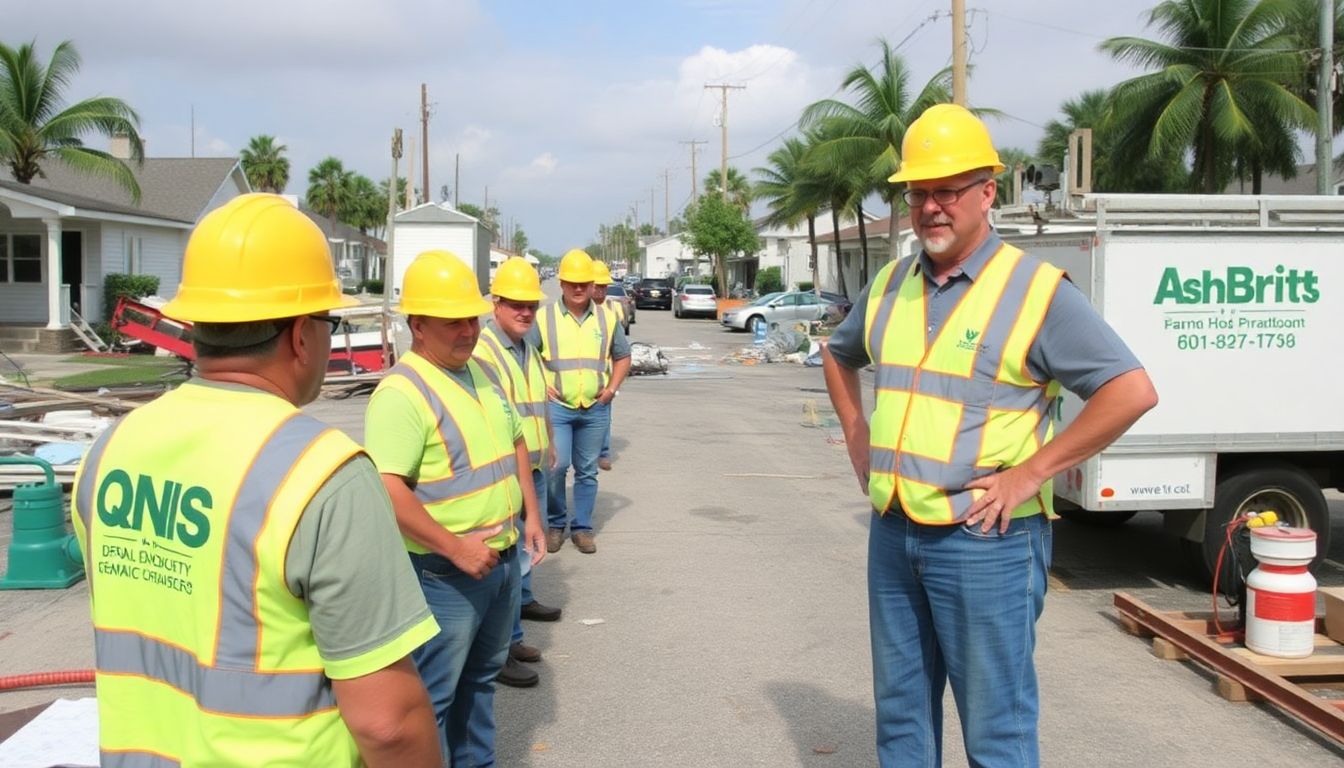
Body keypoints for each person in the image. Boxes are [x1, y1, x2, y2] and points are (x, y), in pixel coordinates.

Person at [821, 103, 1158, 768]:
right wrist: (857, 432)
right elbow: (839, 353)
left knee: (996, 730)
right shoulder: (890, 286)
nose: (930, 207)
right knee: (902, 718)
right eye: (918, 193)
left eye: (947, 190)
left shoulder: (1035, 291)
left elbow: (1130, 390)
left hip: (986, 543)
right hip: (893, 532)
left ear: (986, 192)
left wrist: (1031, 473)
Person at [71, 193, 442, 767]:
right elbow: (388, 724)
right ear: (301, 335)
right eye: (328, 320)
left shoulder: (110, 451)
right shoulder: (324, 475)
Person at [365, 250, 545, 765]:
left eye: (472, 318)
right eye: (453, 322)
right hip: (444, 574)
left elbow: (514, 440)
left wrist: (530, 516)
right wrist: (455, 549)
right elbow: (387, 487)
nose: (468, 330)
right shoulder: (403, 393)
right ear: (417, 324)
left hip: (501, 561)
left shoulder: (478, 372)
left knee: (481, 684)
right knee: (433, 701)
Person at [474, 256, 563, 689]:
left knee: (524, 560)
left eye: (530, 304)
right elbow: (495, 420)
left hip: (532, 464)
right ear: (496, 304)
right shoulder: (486, 351)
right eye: (515, 304)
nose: (525, 311)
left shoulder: (527, 345)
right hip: (507, 472)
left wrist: (548, 440)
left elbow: (534, 400)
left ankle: (512, 636)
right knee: (507, 570)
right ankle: (501, 650)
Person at [530, 248, 631, 554]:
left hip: (594, 408)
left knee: (587, 469)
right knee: (557, 467)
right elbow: (526, 356)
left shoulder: (607, 318)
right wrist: (540, 385)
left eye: (584, 282)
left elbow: (623, 356)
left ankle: (583, 528)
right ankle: (556, 523)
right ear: (561, 283)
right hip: (557, 408)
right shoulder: (543, 317)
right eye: (571, 282)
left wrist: (611, 389)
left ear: (591, 285)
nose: (578, 288)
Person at [590, 260, 623, 471]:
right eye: (597, 286)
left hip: (606, 376)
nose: (601, 291)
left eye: (604, 286)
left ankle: (603, 452)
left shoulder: (613, 310)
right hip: (582, 376)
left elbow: (620, 348)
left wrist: (614, 384)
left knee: (604, 417)